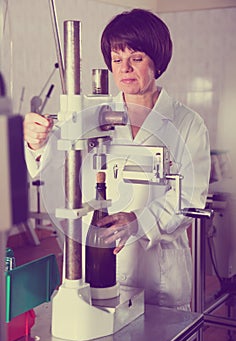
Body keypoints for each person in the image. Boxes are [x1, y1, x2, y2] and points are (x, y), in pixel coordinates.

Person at [24, 8, 210, 310]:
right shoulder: (94, 115)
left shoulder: (187, 123)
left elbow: (190, 199)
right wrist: (36, 142)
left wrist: (138, 222)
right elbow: (56, 164)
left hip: (160, 278)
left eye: (135, 58)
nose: (124, 69)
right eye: (116, 60)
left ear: (157, 61)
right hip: (101, 272)